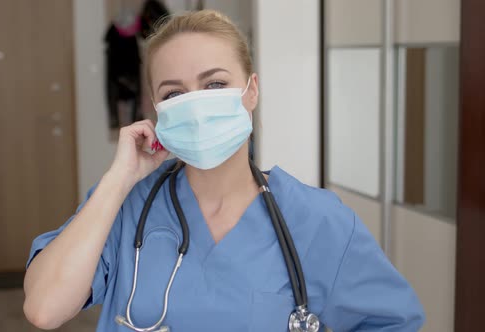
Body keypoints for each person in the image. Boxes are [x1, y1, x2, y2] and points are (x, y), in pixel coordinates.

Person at [23, 10, 425, 332]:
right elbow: (43, 309)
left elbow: (393, 322)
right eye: (174, 94)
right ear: (156, 109)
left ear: (251, 91)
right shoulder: (124, 207)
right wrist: (118, 179)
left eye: (214, 84)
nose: (195, 105)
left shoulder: (316, 219)